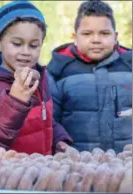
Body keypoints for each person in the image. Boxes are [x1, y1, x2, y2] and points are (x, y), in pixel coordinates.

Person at [0, 0, 73, 155]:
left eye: (34, 45)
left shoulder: (39, 77)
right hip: (0, 175)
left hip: (37, 173)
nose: (26, 52)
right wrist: (16, 99)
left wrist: (59, 140)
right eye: (17, 44)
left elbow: (43, 120)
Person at [47, 0, 132, 153]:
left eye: (104, 33)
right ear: (75, 36)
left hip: (126, 162)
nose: (96, 40)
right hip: (77, 164)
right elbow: (49, 120)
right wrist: (59, 143)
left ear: (115, 36)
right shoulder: (59, 71)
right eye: (87, 34)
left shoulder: (129, 66)